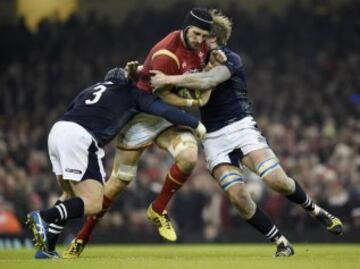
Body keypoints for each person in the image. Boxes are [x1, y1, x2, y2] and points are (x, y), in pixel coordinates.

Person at [149, 10, 343, 257]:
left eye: (204, 37)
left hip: (240, 126)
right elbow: (172, 67)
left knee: (276, 181)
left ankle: (316, 211)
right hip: (212, 137)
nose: (198, 42)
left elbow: (207, 81)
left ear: (214, 39)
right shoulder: (196, 61)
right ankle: (281, 242)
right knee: (238, 197)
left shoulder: (231, 59)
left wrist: (167, 79)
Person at [63, 7, 215, 258]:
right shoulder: (166, 53)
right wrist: (194, 103)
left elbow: (199, 73)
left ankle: (158, 208)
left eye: (203, 36)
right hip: (145, 117)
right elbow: (163, 95)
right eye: (196, 34)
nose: (199, 40)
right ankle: (82, 237)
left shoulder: (203, 48)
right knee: (117, 184)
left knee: (189, 157)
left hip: (168, 122)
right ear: (186, 29)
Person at [26, 67, 206, 259]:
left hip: (58, 131)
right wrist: (195, 124)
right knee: (94, 203)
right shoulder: (133, 93)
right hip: (80, 138)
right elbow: (164, 110)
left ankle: (47, 249)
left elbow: (73, 109)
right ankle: (45, 217)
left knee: (70, 193)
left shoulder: (91, 89)